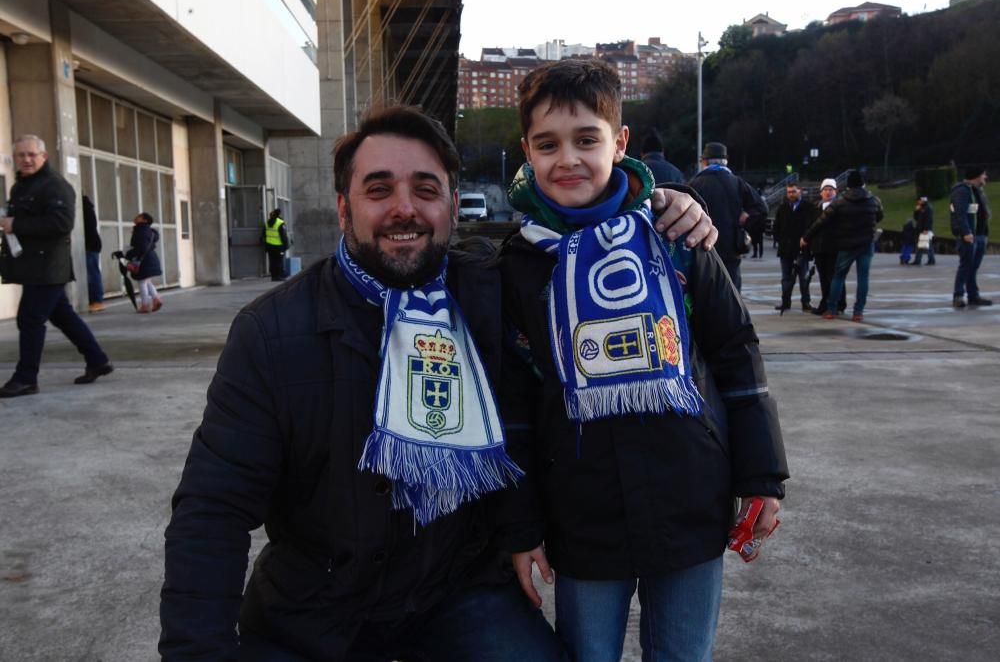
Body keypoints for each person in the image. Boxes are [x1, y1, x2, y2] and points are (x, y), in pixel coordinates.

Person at [158, 104, 718, 660]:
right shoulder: (271, 331)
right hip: (312, 612)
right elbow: (213, 511)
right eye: (379, 190)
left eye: (426, 190)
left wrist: (660, 204)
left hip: (459, 593)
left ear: (453, 207)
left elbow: (580, 234)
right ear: (342, 210)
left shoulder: (491, 290)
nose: (405, 208)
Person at [497, 58, 788, 662]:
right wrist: (521, 527)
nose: (567, 159)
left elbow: (736, 351)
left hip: (690, 500)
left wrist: (762, 477)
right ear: (526, 150)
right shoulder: (518, 264)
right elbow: (515, 407)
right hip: (581, 515)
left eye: (586, 139)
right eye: (547, 144)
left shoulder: (676, 235)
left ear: (620, 141)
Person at [0, 135, 114, 397]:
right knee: (63, 315)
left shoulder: (54, 186)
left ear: (44, 157)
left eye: (32, 155)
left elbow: (61, 224)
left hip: (48, 267)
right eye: (21, 155)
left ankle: (26, 378)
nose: (26, 160)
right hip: (33, 266)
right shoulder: (22, 187)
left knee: (29, 320)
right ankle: (98, 360)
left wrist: (16, 225)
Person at [801, 169, 884, 322]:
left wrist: (806, 237)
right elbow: (879, 216)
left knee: (838, 276)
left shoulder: (840, 202)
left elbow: (821, 221)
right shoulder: (873, 200)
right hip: (866, 244)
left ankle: (831, 309)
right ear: (863, 184)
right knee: (863, 278)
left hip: (846, 244)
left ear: (848, 186)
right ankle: (858, 312)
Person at [689, 141, 768, 291]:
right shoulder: (737, 182)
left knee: (705, 292)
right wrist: (747, 217)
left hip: (703, 247)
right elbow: (761, 208)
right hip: (732, 248)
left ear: (704, 161)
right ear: (726, 161)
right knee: (732, 292)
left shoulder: (695, 184)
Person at [950, 167, 991, 308]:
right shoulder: (962, 191)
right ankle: (958, 295)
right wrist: (966, 232)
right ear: (976, 176)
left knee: (973, 268)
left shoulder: (976, 190)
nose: (985, 177)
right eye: (983, 174)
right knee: (965, 266)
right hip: (969, 236)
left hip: (980, 235)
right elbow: (960, 213)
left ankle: (973, 296)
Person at [773, 183, 818, 312]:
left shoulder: (808, 207)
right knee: (786, 278)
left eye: (793, 192)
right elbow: (777, 226)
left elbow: (812, 226)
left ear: (800, 191)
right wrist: (780, 240)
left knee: (803, 277)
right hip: (785, 249)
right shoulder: (783, 208)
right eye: (789, 192)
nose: (791, 194)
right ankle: (785, 302)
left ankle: (806, 302)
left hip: (802, 248)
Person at [806, 178, 846, 316]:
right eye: (825, 190)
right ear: (821, 192)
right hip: (819, 247)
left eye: (830, 190)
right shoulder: (816, 207)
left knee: (834, 276)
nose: (828, 192)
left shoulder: (840, 207)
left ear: (836, 191)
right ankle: (826, 302)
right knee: (823, 277)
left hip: (834, 247)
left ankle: (839, 303)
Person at [125, 212, 163, 313]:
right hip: (150, 258)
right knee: (146, 281)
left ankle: (145, 305)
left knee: (142, 282)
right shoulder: (148, 231)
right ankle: (156, 299)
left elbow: (141, 247)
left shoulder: (141, 231)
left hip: (144, 260)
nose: (136, 217)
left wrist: (128, 254)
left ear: (145, 220)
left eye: (139, 216)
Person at [82, 194, 105, 312]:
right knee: (92, 272)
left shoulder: (83, 208)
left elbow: (87, 228)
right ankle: (95, 300)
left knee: (92, 273)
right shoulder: (87, 207)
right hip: (92, 243)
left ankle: (97, 300)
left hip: (90, 244)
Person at [262, 207, 290, 281]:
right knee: (279, 261)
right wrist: (286, 245)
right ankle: (279, 275)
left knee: (272, 261)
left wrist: (265, 245)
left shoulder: (267, 223)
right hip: (278, 246)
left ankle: (274, 276)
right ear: (279, 214)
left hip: (269, 246)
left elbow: (263, 234)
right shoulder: (280, 222)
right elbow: (283, 235)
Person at [912, 196, 935, 266]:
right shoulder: (921, 208)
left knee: (928, 245)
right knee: (920, 246)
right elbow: (916, 218)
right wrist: (916, 211)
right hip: (920, 229)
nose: (918, 202)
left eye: (919, 201)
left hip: (925, 230)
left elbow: (929, 219)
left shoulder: (928, 208)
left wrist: (926, 229)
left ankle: (931, 260)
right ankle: (917, 260)